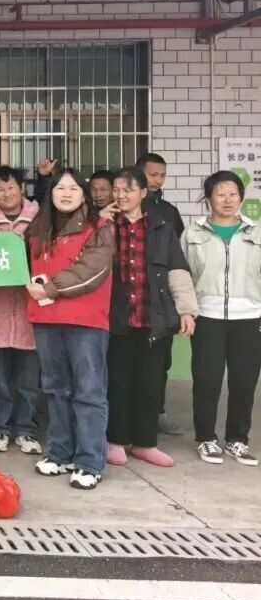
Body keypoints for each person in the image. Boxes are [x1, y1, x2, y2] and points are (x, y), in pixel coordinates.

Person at [26, 168, 113, 490]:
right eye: (59, 188)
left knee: (89, 392)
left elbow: (92, 270)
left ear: (83, 194)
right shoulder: (37, 229)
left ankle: (90, 461)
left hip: (85, 323)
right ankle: (60, 453)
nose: (65, 193)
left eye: (73, 188)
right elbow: (17, 260)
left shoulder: (99, 227)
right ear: (50, 193)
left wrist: (50, 288)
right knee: (55, 389)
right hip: (46, 321)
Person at [105, 167, 198, 469]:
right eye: (117, 189)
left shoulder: (160, 226)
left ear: (143, 193)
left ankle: (145, 443)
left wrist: (186, 310)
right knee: (117, 383)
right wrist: (100, 221)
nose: (121, 195)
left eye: (128, 190)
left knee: (150, 384)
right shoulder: (105, 224)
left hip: (153, 319)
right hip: (116, 320)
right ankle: (116, 440)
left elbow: (177, 269)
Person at [183, 171, 261, 466]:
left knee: (244, 382)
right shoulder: (193, 233)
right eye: (220, 194)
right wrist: (186, 311)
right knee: (207, 381)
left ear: (241, 197)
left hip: (250, 317)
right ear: (208, 199)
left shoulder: (256, 232)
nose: (227, 200)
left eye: (233, 194)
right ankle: (206, 438)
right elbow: (182, 275)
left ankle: (238, 440)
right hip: (208, 316)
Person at [0, 166, 43, 455]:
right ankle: (0, 428)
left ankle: (26, 429)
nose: (6, 194)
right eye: (0, 189)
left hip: (31, 313)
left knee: (29, 381)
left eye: (11, 188)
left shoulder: (40, 220)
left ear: (23, 189)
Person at [135, 151, 187, 437]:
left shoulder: (168, 212)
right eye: (152, 174)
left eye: (162, 175)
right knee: (127, 364)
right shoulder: (122, 208)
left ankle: (158, 413)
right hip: (130, 300)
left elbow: (177, 257)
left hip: (160, 299)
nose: (157, 180)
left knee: (160, 363)